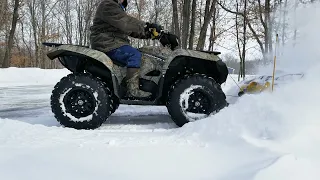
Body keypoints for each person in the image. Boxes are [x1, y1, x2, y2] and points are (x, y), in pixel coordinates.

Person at [90, 0, 162, 98]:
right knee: (134, 54)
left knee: (145, 55)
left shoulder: (118, 8)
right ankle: (132, 90)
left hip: (115, 42)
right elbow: (126, 22)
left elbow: (130, 30)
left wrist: (152, 34)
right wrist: (147, 26)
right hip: (107, 43)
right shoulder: (108, 4)